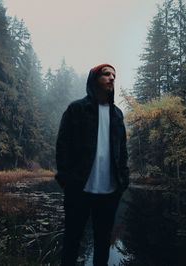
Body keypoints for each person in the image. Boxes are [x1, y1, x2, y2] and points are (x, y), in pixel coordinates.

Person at [55, 63, 130, 266]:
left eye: (114, 74)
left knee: (103, 242)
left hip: (110, 190)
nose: (112, 78)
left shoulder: (117, 114)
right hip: (79, 187)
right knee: (72, 239)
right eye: (106, 74)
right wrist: (65, 179)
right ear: (94, 79)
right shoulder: (76, 109)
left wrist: (123, 180)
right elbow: (62, 145)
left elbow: (122, 150)